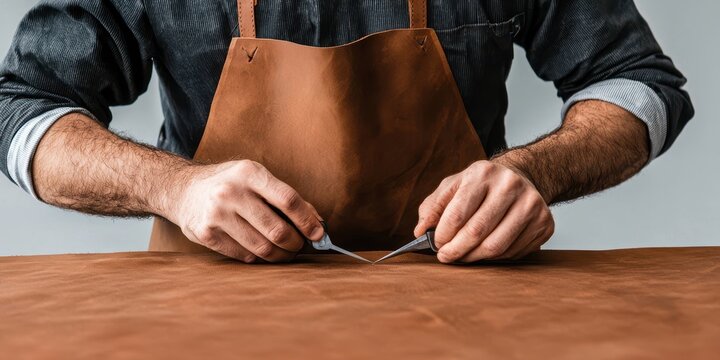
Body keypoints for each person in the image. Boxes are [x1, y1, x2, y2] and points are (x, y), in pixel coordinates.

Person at [0, 1, 693, 264]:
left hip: (461, 309)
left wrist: (535, 173)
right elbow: (21, 109)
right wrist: (173, 186)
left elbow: (637, 84)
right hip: (210, 313)